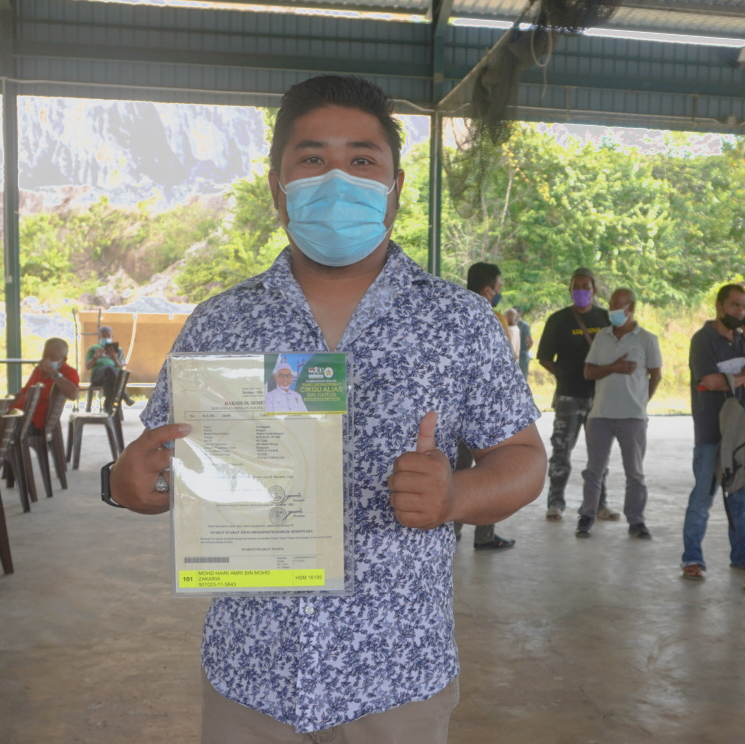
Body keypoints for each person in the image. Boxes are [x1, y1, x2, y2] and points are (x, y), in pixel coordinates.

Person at [108, 75, 546, 742]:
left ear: (395, 187)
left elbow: (523, 458)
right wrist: (129, 483)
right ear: (277, 187)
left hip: (395, 680)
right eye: (312, 158)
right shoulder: (219, 323)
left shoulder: (458, 322)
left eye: (362, 160)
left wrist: (457, 494)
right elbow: (163, 462)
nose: (337, 179)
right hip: (249, 677)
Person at [575, 288, 662, 539]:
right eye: (611, 304)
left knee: (634, 473)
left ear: (630, 308)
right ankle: (586, 517)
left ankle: (636, 521)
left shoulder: (647, 339)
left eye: (617, 305)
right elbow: (588, 372)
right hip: (600, 415)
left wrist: (641, 402)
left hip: (633, 417)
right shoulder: (602, 337)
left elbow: (656, 375)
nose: (612, 310)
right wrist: (615, 367)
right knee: (594, 471)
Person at [537, 267, 619, 522]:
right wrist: (563, 375)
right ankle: (555, 504)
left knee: (599, 454)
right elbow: (544, 357)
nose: (581, 291)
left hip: (600, 396)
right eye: (576, 287)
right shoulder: (558, 320)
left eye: (586, 286)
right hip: (569, 397)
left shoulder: (606, 318)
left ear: (594, 290)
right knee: (561, 452)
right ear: (570, 290)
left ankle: (599, 504)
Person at [452, 262, 519, 552]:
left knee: (456, 471)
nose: (499, 293)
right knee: (492, 470)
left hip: (455, 408)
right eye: (499, 288)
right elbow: (504, 363)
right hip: (486, 409)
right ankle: (484, 535)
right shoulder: (492, 317)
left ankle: (450, 532)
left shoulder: (450, 311)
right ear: (488, 290)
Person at [681, 283, 745, 580]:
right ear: (719, 306)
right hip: (710, 431)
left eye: (744, 307)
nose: (740, 312)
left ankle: (741, 557)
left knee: (740, 499)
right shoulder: (703, 340)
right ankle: (692, 558)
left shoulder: (741, 340)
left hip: (739, 436)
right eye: (735, 305)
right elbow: (710, 381)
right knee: (702, 499)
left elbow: (723, 381)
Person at [12, 338, 79, 431]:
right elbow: (24, 392)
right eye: (45, 355)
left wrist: (52, 372)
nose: (47, 359)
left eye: (52, 356)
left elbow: (73, 395)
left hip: (31, 422)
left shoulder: (69, 372)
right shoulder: (39, 370)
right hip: (17, 416)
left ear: (63, 359)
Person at [86, 326, 134, 409]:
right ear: (99, 337)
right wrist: (95, 358)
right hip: (97, 376)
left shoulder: (118, 350)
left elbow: (121, 366)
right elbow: (87, 367)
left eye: (108, 336)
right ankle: (124, 395)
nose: (106, 338)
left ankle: (108, 407)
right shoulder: (93, 349)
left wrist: (114, 358)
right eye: (103, 336)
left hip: (112, 377)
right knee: (108, 368)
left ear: (112, 336)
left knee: (107, 380)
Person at [515, 307, 533, 381]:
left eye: (516, 313)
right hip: (513, 354)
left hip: (522, 355)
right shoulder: (510, 324)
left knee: (523, 377)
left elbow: (530, 341)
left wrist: (525, 350)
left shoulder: (524, 325)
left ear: (520, 314)